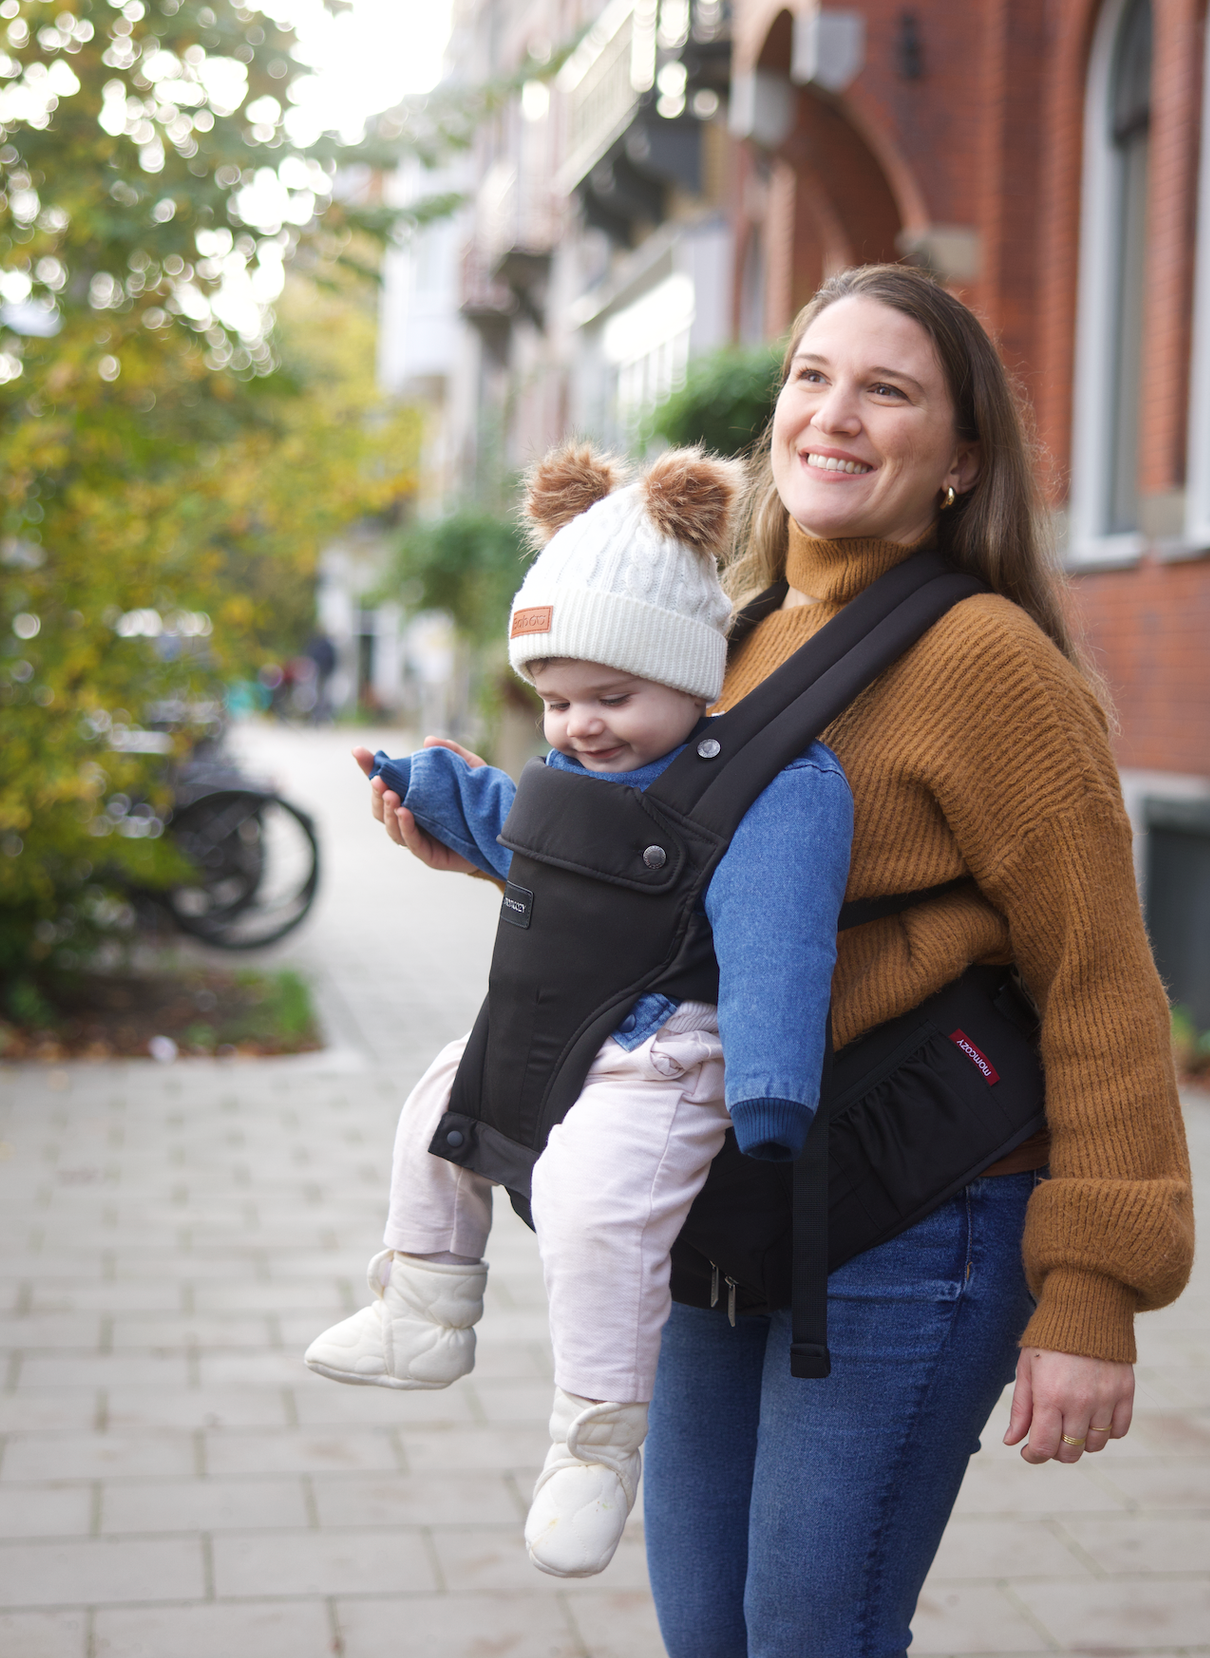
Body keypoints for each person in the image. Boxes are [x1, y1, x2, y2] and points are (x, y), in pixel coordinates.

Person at [370, 265, 1194, 1658]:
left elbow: (1099, 980)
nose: (834, 413)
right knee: (707, 1628)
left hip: (917, 1213)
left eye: (887, 390)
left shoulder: (988, 663)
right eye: (811, 377)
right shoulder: (721, 633)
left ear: (959, 458)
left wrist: (1093, 1290)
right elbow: (668, 900)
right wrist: (482, 846)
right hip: (727, 1199)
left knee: (811, 1629)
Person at [305, 443, 854, 1580]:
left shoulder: (764, 783)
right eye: (555, 700)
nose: (580, 725)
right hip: (560, 1020)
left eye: (612, 696)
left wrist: (771, 1086)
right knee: (433, 1109)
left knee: (590, 1204)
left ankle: (591, 1448)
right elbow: (531, 832)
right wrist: (435, 792)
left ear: (693, 675)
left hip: (666, 1049)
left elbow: (777, 940)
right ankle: (424, 1302)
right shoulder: (583, 764)